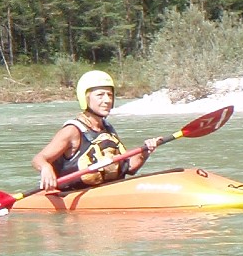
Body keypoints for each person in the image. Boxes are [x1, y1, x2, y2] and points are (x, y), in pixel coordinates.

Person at [33, 70, 163, 192]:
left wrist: (144, 152)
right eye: (100, 95)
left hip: (106, 192)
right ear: (86, 98)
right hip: (73, 196)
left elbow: (129, 168)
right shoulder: (72, 131)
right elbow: (39, 159)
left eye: (110, 95)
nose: (107, 100)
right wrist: (45, 167)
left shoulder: (107, 129)